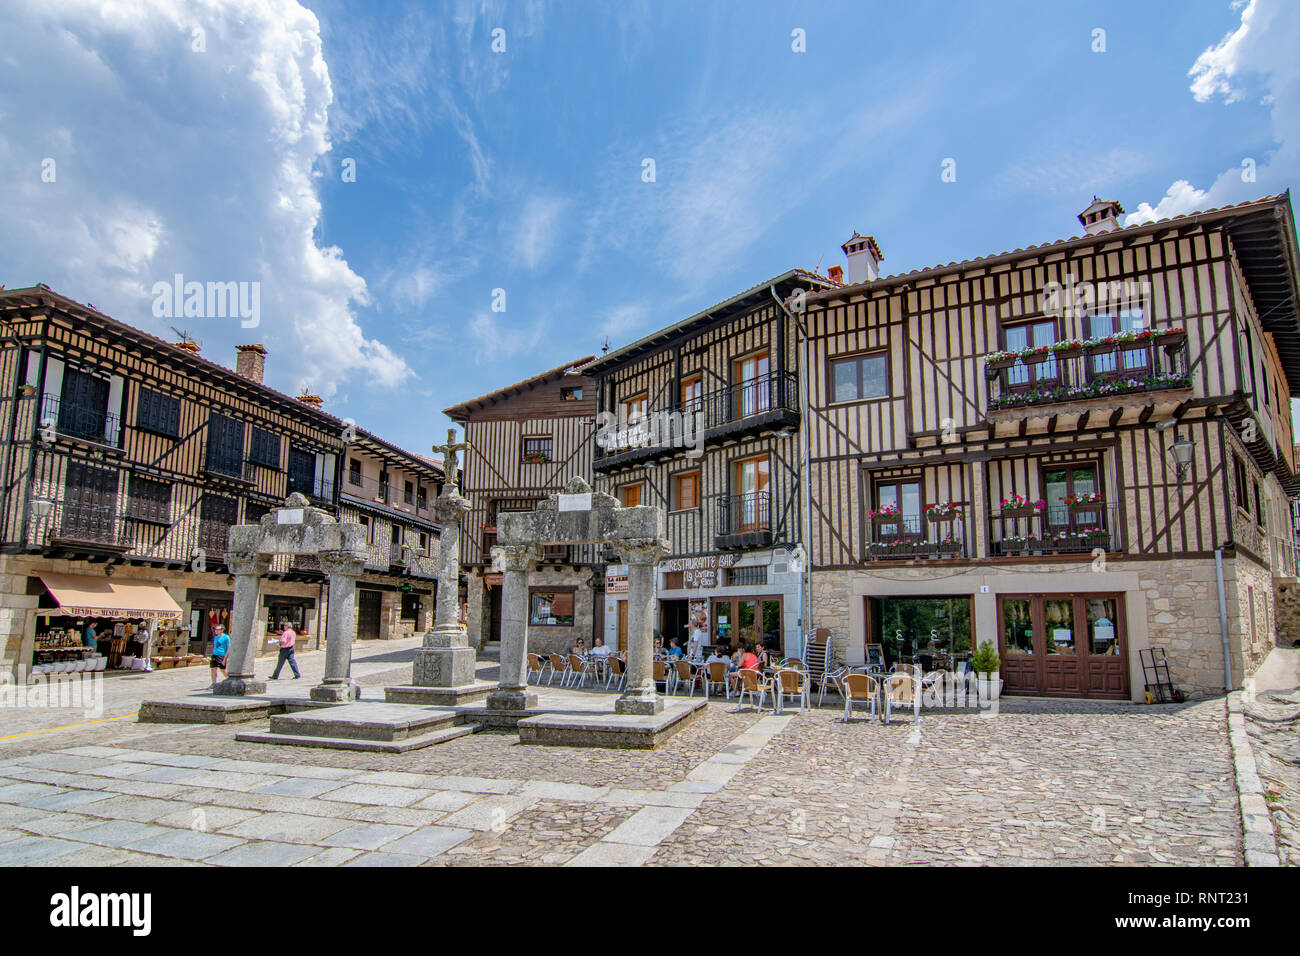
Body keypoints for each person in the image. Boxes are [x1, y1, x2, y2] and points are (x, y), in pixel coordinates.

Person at [209, 623, 230, 687]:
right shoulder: (216, 638)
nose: (216, 631)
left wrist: (225, 658)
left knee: (223, 670)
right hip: (215, 654)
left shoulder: (226, 637)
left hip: (222, 655)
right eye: (215, 629)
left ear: (222, 630)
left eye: (218, 629)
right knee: (213, 669)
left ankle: (229, 680)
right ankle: (214, 683)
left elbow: (229, 648)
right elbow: (215, 646)